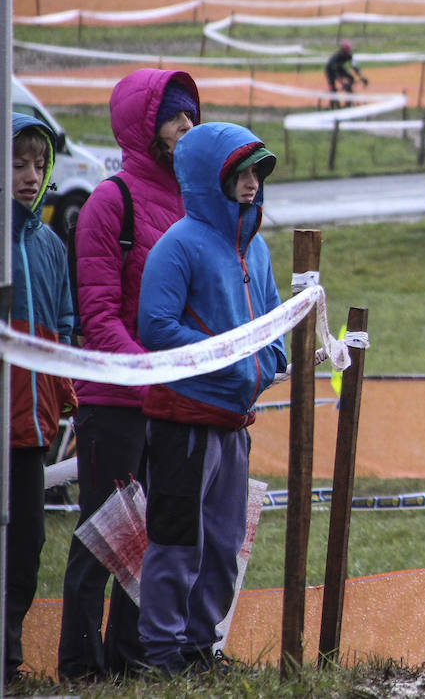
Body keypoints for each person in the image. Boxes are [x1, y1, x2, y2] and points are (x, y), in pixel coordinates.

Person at [57, 69, 200, 681]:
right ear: (146, 127)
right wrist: (152, 377)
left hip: (166, 402)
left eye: (191, 115)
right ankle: (80, 666)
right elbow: (98, 314)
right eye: (174, 116)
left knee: (147, 541)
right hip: (113, 403)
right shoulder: (109, 203)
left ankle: (127, 658)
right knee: (100, 537)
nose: (186, 126)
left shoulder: (193, 202)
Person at [136, 122, 288, 675]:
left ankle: (202, 649)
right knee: (178, 542)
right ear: (207, 178)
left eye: (256, 173)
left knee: (225, 546)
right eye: (238, 174)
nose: (250, 184)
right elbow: (154, 326)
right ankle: (161, 656)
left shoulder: (258, 247)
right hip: (183, 420)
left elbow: (273, 322)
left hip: (234, 422)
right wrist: (228, 357)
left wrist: (269, 362)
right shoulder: (178, 246)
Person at [6, 113, 79, 682]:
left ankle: (8, 654)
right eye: (17, 162)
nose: (30, 176)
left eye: (39, 163)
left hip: (32, 431)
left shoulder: (51, 246)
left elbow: (64, 329)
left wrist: (60, 401)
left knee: (26, 546)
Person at [324, 41, 367, 109]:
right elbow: (335, 73)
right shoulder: (336, 58)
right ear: (343, 51)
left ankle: (348, 101)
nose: (349, 53)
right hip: (331, 70)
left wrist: (362, 77)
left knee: (351, 78)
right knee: (333, 89)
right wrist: (342, 82)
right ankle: (334, 103)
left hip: (340, 68)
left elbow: (355, 67)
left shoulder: (349, 56)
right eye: (348, 51)